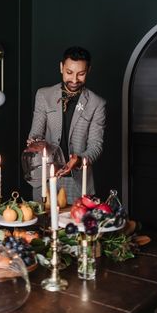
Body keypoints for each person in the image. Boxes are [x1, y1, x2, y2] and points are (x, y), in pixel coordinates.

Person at [27, 46, 106, 203]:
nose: (75, 79)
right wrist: (36, 143)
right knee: (42, 225)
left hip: (77, 181)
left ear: (88, 70)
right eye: (69, 72)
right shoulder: (44, 95)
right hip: (45, 176)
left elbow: (96, 146)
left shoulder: (97, 103)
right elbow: (35, 132)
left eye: (81, 74)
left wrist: (79, 160)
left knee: (74, 227)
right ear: (61, 67)